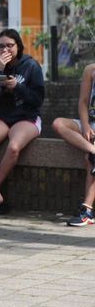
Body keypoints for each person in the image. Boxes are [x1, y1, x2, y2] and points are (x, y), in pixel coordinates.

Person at [0, 29, 45, 214]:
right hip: (4, 115)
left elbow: (37, 99)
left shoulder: (31, 66)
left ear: (18, 46)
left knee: (13, 147)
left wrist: (17, 87)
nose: (5, 49)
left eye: (9, 45)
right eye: (1, 46)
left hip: (27, 117)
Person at [52, 62, 95, 226]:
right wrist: (85, 125)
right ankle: (93, 149)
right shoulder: (90, 70)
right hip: (89, 123)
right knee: (58, 124)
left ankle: (87, 211)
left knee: (88, 159)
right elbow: (83, 102)